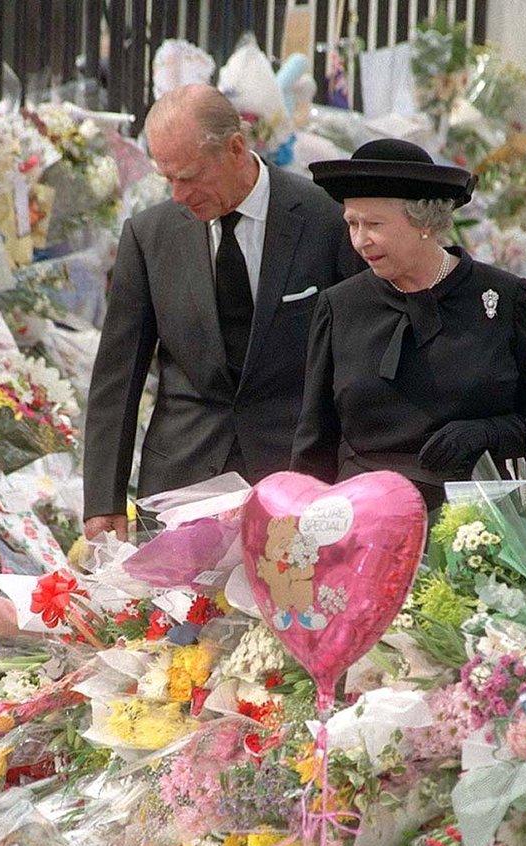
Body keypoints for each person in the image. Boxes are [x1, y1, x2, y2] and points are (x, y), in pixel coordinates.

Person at [83, 84, 362, 541]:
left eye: (189, 176)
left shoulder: (325, 219)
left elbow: (354, 362)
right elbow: (118, 375)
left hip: (294, 477)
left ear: (236, 148)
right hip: (181, 478)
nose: (177, 194)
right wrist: (103, 501)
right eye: (166, 177)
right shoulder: (150, 236)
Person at [291, 139, 526, 512]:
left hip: (480, 525)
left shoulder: (503, 296)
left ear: (424, 222)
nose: (360, 241)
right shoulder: (340, 305)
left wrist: (486, 434)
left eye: (374, 224)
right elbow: (315, 441)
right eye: (352, 224)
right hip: (366, 523)